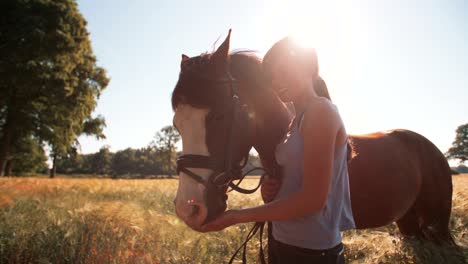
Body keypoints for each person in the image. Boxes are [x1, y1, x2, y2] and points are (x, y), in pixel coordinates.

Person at [199, 37, 355, 264]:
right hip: (283, 242)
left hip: (313, 253)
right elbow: (297, 183)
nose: (276, 80)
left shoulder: (320, 111)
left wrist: (235, 217)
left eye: (283, 71)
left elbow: (313, 200)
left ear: (308, 68)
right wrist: (272, 192)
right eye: (271, 75)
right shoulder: (295, 122)